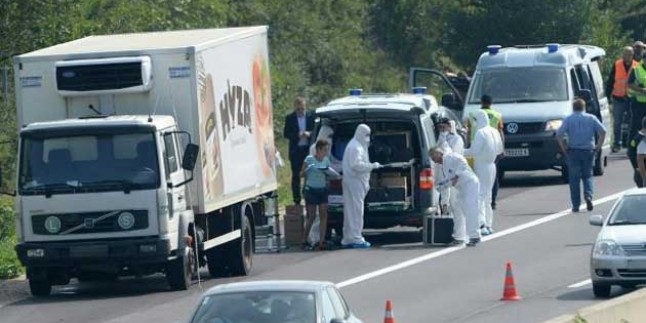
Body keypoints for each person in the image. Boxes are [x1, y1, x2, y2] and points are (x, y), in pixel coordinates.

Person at [556, 99, 607, 212]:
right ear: (584, 107)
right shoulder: (591, 118)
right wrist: (598, 146)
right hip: (588, 150)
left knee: (574, 179)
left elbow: (559, 134)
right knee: (588, 175)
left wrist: (564, 148)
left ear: (573, 108)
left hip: (573, 150)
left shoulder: (569, 119)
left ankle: (575, 205)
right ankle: (588, 196)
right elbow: (603, 131)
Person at [429, 146, 481, 246]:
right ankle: (460, 237)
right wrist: (439, 186)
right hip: (461, 188)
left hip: (469, 184)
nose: (434, 160)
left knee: (470, 209)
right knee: (458, 210)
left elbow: (463, 162)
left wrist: (457, 175)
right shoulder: (444, 165)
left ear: (438, 153)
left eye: (433, 156)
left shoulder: (451, 156)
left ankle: (475, 236)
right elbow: (449, 179)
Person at [341, 124, 381, 248]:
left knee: (351, 210)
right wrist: (372, 166)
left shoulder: (357, 145)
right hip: (355, 181)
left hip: (354, 181)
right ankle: (356, 237)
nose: (367, 138)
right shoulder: (355, 147)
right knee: (357, 210)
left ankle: (348, 237)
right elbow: (356, 165)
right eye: (366, 134)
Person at [464, 110, 503, 236]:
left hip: (482, 166)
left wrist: (460, 151)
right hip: (492, 165)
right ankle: (489, 224)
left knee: (480, 195)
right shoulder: (494, 131)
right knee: (488, 195)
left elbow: (474, 151)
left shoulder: (481, 133)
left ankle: (481, 224)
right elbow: (499, 150)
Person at [465, 95, 504, 210]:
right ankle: (492, 201)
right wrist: (502, 148)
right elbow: (501, 132)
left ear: (481, 102)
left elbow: (469, 131)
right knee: (493, 176)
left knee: (476, 176)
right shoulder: (497, 115)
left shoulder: (472, 115)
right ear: (491, 103)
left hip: (476, 149)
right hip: (492, 149)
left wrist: (467, 146)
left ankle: (476, 201)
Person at [435, 118, 467, 243]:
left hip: (455, 176)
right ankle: (452, 233)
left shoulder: (457, 139)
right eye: (441, 127)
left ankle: (460, 235)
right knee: (446, 205)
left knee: (456, 206)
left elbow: (452, 155)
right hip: (444, 175)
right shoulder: (441, 138)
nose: (443, 130)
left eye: (444, 127)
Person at [300, 140, 333, 251]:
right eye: (324, 150)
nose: (326, 152)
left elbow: (328, 173)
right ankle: (304, 240)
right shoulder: (309, 159)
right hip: (311, 190)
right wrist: (307, 170)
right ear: (318, 150)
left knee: (324, 214)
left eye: (327, 150)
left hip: (322, 189)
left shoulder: (326, 160)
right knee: (312, 216)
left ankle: (321, 241)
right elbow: (301, 174)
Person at [283, 97, 315, 205]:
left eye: (302, 109)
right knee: (296, 176)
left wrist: (309, 134)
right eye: (298, 109)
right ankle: (296, 200)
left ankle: (308, 197)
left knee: (309, 174)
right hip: (296, 151)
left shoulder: (311, 116)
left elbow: (316, 130)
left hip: (308, 150)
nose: (301, 111)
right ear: (295, 108)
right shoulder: (290, 118)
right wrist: (297, 135)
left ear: (305, 107)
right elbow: (286, 134)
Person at [606, 46, 638, 152]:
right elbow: (610, 81)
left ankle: (630, 144)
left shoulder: (637, 66)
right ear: (622, 54)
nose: (626, 56)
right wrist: (607, 96)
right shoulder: (617, 64)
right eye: (625, 54)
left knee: (632, 122)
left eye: (629, 54)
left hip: (631, 99)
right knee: (617, 122)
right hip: (618, 98)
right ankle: (617, 144)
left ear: (632, 54)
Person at [628, 51, 646, 142]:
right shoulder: (637, 68)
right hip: (639, 103)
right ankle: (632, 148)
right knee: (636, 125)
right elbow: (630, 84)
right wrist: (641, 90)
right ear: (643, 60)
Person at [628, 117, 646, 188]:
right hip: (642, 174)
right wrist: (644, 179)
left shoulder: (637, 137)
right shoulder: (643, 141)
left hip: (638, 173)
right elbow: (640, 160)